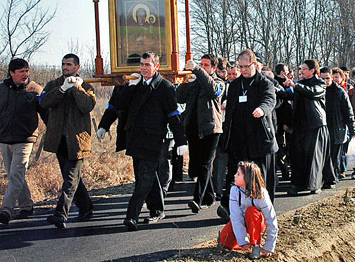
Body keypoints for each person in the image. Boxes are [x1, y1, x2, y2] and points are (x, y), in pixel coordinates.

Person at [111, 52, 187, 230]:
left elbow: (174, 116)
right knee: (148, 176)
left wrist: (181, 140)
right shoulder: (135, 84)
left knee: (143, 180)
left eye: (147, 64)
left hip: (153, 140)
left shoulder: (165, 87)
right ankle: (158, 209)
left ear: (156, 67)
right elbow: (120, 105)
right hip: (135, 139)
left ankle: (132, 216)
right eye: (142, 64)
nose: (144, 68)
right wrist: (130, 87)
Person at [218, 49, 277, 222]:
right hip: (238, 139)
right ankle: (232, 210)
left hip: (260, 139)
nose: (243, 70)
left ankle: (264, 214)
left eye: (246, 66)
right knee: (237, 176)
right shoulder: (235, 85)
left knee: (260, 179)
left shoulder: (265, 83)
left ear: (254, 64)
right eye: (240, 66)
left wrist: (262, 109)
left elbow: (269, 100)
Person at [0, 58, 47, 224]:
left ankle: (6, 209)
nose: (25, 74)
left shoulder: (34, 89)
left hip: (26, 139)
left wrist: (55, 132)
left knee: (15, 174)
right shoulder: (0, 90)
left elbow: (46, 112)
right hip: (5, 139)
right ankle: (27, 205)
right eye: (21, 72)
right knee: (16, 176)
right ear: (11, 73)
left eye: (27, 71)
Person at [40, 54, 96, 229]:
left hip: (78, 140)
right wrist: (62, 89)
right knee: (70, 179)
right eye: (63, 64)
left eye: (69, 65)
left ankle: (60, 214)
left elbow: (87, 106)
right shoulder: (53, 85)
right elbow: (44, 102)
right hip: (59, 140)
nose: (65, 67)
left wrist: (77, 88)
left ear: (77, 67)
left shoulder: (86, 86)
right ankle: (86, 207)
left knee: (71, 179)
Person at [177, 54, 224, 213]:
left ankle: (197, 200)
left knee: (205, 164)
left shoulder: (219, 82)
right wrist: (185, 79)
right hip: (193, 129)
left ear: (213, 68)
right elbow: (180, 98)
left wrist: (197, 70)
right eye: (201, 64)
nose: (203, 67)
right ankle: (209, 196)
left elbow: (212, 90)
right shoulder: (195, 81)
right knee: (199, 165)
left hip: (211, 130)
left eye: (206, 65)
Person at [284, 59, 332, 195]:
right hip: (300, 125)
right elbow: (287, 94)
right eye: (301, 69)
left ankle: (314, 185)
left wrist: (295, 86)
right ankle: (297, 184)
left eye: (304, 69)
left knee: (314, 156)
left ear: (312, 71)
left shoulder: (320, 83)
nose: (301, 71)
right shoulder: (299, 84)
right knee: (298, 156)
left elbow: (312, 92)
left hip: (315, 125)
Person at [219, 161, 278, 259]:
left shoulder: (261, 193)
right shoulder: (234, 190)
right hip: (243, 220)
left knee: (252, 211)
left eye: (238, 174)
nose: (234, 176)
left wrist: (270, 246)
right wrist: (243, 240)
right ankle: (244, 244)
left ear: (247, 178)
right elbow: (235, 217)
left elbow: (271, 219)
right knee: (223, 242)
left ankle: (256, 246)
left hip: (257, 222)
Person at [320, 67, 355, 180]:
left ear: (331, 78)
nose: (325, 81)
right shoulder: (318, 91)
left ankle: (332, 178)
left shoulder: (340, 92)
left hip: (337, 128)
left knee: (335, 157)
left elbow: (349, 112)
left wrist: (353, 130)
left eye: (327, 78)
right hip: (323, 128)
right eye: (322, 79)